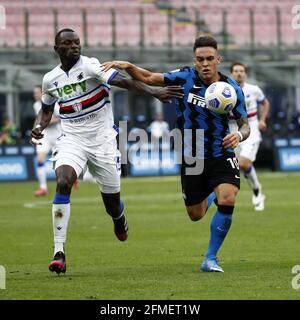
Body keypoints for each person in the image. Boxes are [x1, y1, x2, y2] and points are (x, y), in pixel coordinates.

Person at [30, 28, 183, 275]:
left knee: (111, 203)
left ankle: (118, 218)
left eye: (77, 42)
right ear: (56, 49)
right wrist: (38, 126)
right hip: (72, 139)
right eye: (68, 44)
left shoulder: (91, 66)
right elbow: (47, 109)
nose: (74, 47)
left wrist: (154, 92)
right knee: (63, 181)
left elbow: (125, 81)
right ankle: (59, 252)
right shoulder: (51, 79)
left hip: (103, 141)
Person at [102, 35, 250, 272]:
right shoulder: (184, 76)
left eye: (209, 58)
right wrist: (128, 66)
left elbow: (245, 124)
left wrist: (239, 136)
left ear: (218, 59)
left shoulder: (231, 89)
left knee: (229, 198)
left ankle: (210, 258)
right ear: (195, 60)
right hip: (191, 157)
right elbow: (151, 78)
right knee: (195, 214)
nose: (204, 63)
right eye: (200, 59)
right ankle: (212, 194)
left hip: (221, 152)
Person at [229, 62, 270, 211]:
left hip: (251, 128)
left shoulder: (254, 89)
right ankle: (255, 189)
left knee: (244, 163)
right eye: (236, 71)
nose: (239, 73)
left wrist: (262, 120)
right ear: (231, 74)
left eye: (242, 71)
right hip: (232, 130)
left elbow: (265, 103)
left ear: (245, 74)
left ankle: (257, 190)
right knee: (234, 165)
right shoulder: (225, 91)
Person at [32, 85, 63, 196]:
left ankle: (72, 179)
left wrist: (47, 122)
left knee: (61, 162)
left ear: (42, 93)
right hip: (44, 135)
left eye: (37, 92)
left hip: (57, 134)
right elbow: (40, 120)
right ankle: (43, 188)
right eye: (34, 93)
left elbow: (60, 117)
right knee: (40, 160)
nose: (35, 95)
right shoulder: (36, 105)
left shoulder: (52, 103)